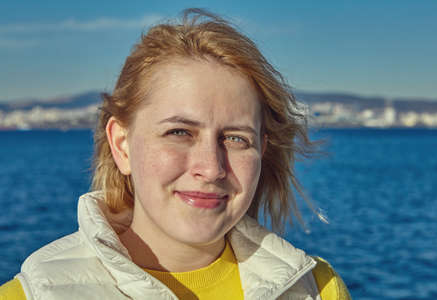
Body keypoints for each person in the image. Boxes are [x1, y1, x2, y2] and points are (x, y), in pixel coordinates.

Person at [0, 8, 351, 300]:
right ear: (121, 144)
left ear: (263, 149)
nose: (211, 168)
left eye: (236, 139)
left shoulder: (314, 288)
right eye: (179, 132)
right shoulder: (33, 294)